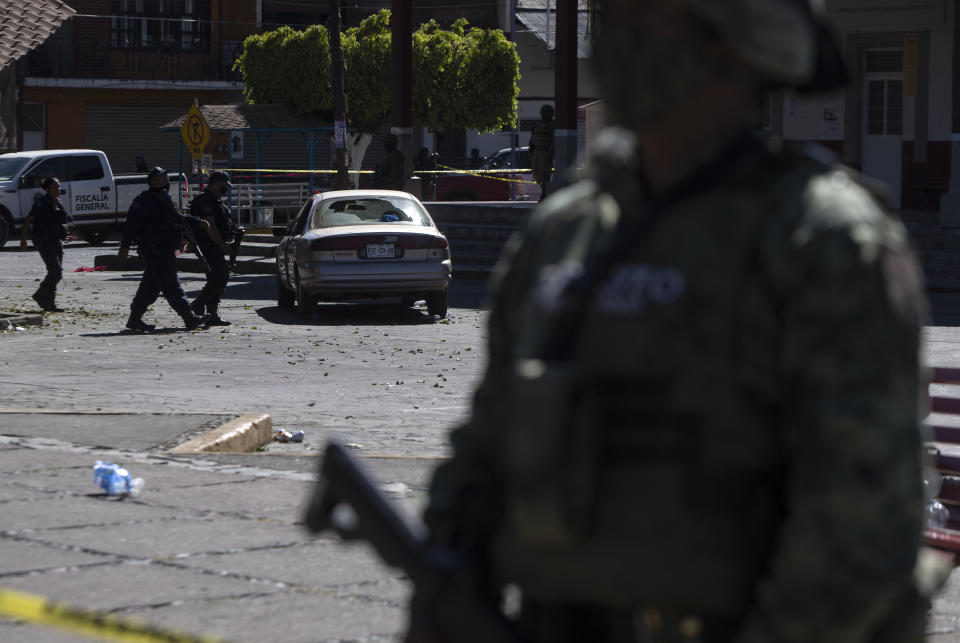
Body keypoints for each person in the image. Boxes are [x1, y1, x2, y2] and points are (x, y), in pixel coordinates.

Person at [409, 1, 937, 642]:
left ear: (735, 43)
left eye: (647, 13)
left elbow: (863, 527)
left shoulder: (818, 239)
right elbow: (489, 439)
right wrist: (447, 578)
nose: (614, 34)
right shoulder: (566, 232)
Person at [118, 167, 210, 332]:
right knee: (171, 284)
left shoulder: (164, 198)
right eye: (160, 179)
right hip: (154, 250)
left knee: (150, 287)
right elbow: (131, 225)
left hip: (165, 249)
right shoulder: (144, 200)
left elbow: (178, 217)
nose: (165, 181)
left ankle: (134, 319)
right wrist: (124, 246)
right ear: (152, 182)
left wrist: (197, 221)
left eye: (166, 178)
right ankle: (189, 317)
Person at [188, 170, 234, 326]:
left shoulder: (215, 200)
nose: (225, 188)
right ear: (216, 183)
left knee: (215, 279)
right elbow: (210, 227)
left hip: (215, 246)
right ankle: (198, 304)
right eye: (224, 184)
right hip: (208, 246)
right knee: (221, 277)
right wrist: (222, 245)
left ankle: (212, 314)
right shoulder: (205, 201)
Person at [20, 177, 69, 312]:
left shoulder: (58, 202)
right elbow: (27, 221)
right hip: (44, 241)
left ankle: (49, 304)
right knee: (56, 272)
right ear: (47, 189)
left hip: (56, 241)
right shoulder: (41, 202)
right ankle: (40, 295)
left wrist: (65, 235)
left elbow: (61, 222)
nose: (58, 189)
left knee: (55, 272)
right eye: (55, 187)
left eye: (59, 186)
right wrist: (23, 239)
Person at [528, 104, 555, 201]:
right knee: (537, 174)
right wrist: (531, 148)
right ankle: (543, 190)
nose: (544, 114)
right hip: (536, 151)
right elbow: (532, 137)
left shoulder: (553, 125)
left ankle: (545, 193)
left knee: (545, 174)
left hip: (545, 151)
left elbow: (554, 140)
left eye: (547, 112)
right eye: (543, 112)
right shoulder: (537, 124)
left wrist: (550, 152)